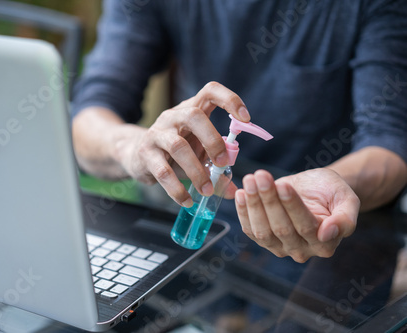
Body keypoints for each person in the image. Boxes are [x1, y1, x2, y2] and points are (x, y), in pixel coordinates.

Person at [70, 0, 407, 263]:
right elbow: (89, 116)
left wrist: (336, 183)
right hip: (191, 234)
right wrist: (134, 147)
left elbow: (389, 144)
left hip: (316, 231)